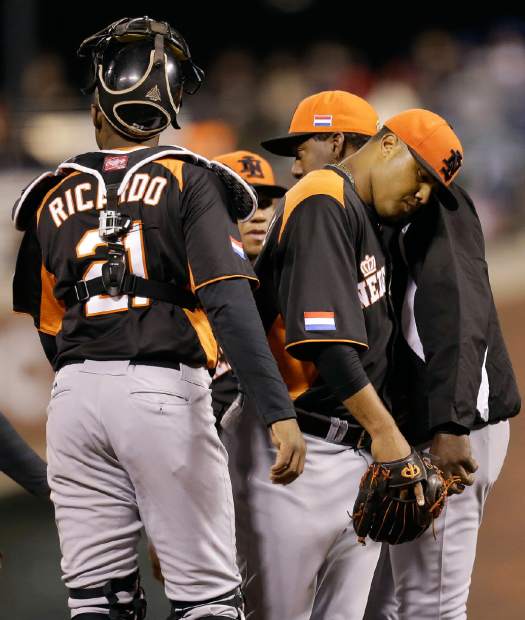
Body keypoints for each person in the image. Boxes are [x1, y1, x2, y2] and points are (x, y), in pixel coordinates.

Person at [11, 16, 305, 619]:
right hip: (162, 388)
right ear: (168, 109)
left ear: (98, 103)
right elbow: (228, 302)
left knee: (97, 603)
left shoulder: (48, 192)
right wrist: (278, 412)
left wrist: (90, 372)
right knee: (208, 599)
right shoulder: (190, 178)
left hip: (73, 400)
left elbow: (48, 327)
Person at [222, 106, 462, 619]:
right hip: (292, 453)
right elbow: (324, 339)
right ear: (388, 144)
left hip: (353, 454)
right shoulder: (321, 198)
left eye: (431, 189)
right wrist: (389, 435)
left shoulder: (371, 216)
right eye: (420, 176)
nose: (421, 195)